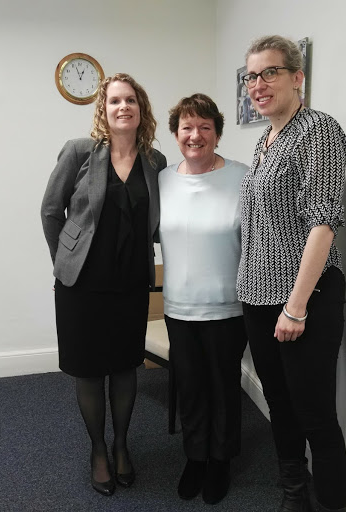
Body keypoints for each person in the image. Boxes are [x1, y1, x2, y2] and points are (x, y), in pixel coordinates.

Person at [237, 36, 346, 512]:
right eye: (251, 76)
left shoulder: (318, 131)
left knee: (315, 416)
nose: (258, 85)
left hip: (305, 300)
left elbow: (322, 223)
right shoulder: (265, 140)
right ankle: (293, 495)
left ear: (297, 77)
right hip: (259, 299)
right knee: (279, 406)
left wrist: (296, 307)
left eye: (270, 73)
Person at [41, 73, 166, 496]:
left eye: (130, 100)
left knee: (125, 366)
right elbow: (50, 210)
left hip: (131, 282)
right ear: (104, 109)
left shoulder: (155, 161)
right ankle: (98, 449)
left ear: (140, 108)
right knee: (90, 370)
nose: (123, 107)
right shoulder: (80, 152)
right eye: (114, 101)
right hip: (82, 285)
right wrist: (65, 261)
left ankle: (122, 445)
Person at [159, 94, 248, 505]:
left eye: (205, 127)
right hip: (178, 306)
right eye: (187, 128)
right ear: (176, 133)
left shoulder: (243, 177)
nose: (195, 135)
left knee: (223, 386)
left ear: (217, 133)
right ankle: (195, 457)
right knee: (192, 388)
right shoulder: (162, 181)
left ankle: (221, 459)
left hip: (229, 306)